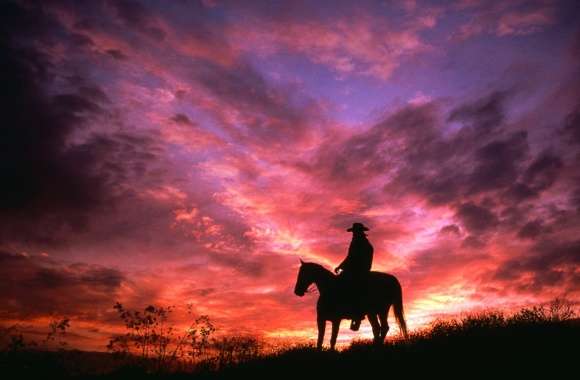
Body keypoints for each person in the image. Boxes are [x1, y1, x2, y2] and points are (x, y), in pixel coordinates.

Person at [334, 222, 374, 331]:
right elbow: (350, 257)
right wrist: (341, 266)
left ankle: (356, 311)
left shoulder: (360, 242)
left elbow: (351, 258)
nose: (353, 234)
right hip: (357, 268)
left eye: (355, 232)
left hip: (359, 270)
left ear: (359, 232)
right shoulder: (359, 242)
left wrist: (342, 267)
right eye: (353, 232)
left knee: (349, 286)